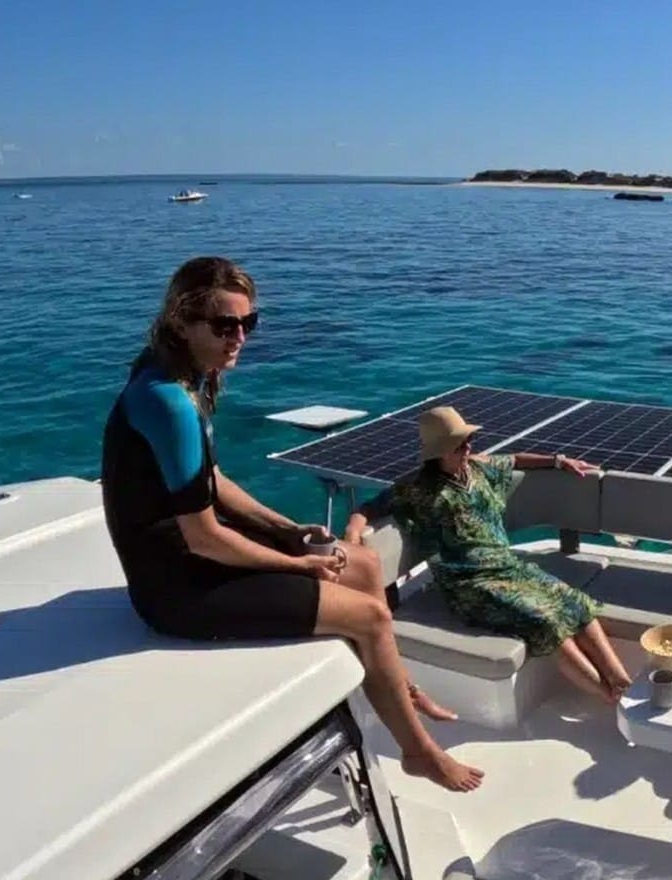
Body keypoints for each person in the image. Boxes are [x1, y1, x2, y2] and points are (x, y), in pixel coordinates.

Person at [100, 256, 483, 792]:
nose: (239, 337)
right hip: (177, 587)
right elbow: (204, 535)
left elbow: (209, 476)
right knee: (370, 615)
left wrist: (284, 527)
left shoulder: (181, 372)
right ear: (181, 322)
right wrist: (295, 562)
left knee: (364, 562)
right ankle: (419, 752)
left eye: (247, 323)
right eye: (224, 325)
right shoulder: (167, 400)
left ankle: (394, 683)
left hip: (192, 557)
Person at [342, 407, 633, 705]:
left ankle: (622, 683)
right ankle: (612, 699)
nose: (468, 447)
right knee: (545, 621)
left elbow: (516, 459)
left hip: (508, 567)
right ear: (439, 453)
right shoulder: (415, 489)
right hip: (469, 584)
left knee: (576, 604)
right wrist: (353, 536)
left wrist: (559, 461)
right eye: (460, 444)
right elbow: (368, 508)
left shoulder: (479, 468)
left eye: (468, 441)